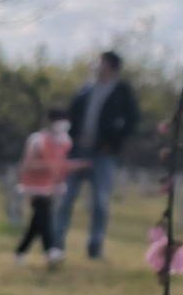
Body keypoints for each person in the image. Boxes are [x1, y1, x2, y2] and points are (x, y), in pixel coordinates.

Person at [51, 50, 140, 261]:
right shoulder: (85, 90)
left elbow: (132, 121)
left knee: (100, 202)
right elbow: (70, 116)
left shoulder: (121, 92)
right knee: (65, 199)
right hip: (77, 151)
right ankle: (56, 245)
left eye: (101, 63)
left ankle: (95, 245)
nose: (97, 66)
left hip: (103, 155)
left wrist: (113, 143)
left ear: (111, 67)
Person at [14, 107, 87, 266]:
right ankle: (51, 250)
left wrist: (78, 165)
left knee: (37, 223)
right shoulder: (37, 140)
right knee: (45, 218)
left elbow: (60, 165)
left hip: (51, 186)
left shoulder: (65, 141)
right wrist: (48, 165)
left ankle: (20, 252)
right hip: (34, 186)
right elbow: (27, 165)